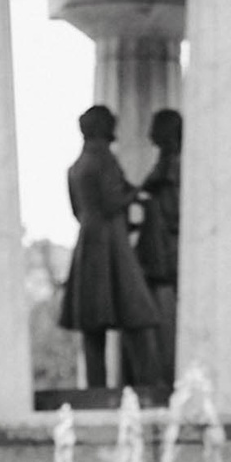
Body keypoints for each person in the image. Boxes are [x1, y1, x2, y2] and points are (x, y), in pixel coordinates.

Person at [59, 104, 164, 394]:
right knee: (137, 314)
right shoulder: (103, 160)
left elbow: (77, 210)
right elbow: (112, 201)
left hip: (87, 245)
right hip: (111, 245)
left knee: (93, 326)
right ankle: (149, 384)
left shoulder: (76, 167)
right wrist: (140, 192)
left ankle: (96, 389)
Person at [134, 108, 182, 392]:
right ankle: (157, 375)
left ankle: (165, 376)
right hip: (158, 248)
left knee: (162, 314)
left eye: (156, 126)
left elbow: (174, 210)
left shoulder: (173, 164)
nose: (150, 132)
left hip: (166, 251)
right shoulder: (166, 162)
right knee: (156, 314)